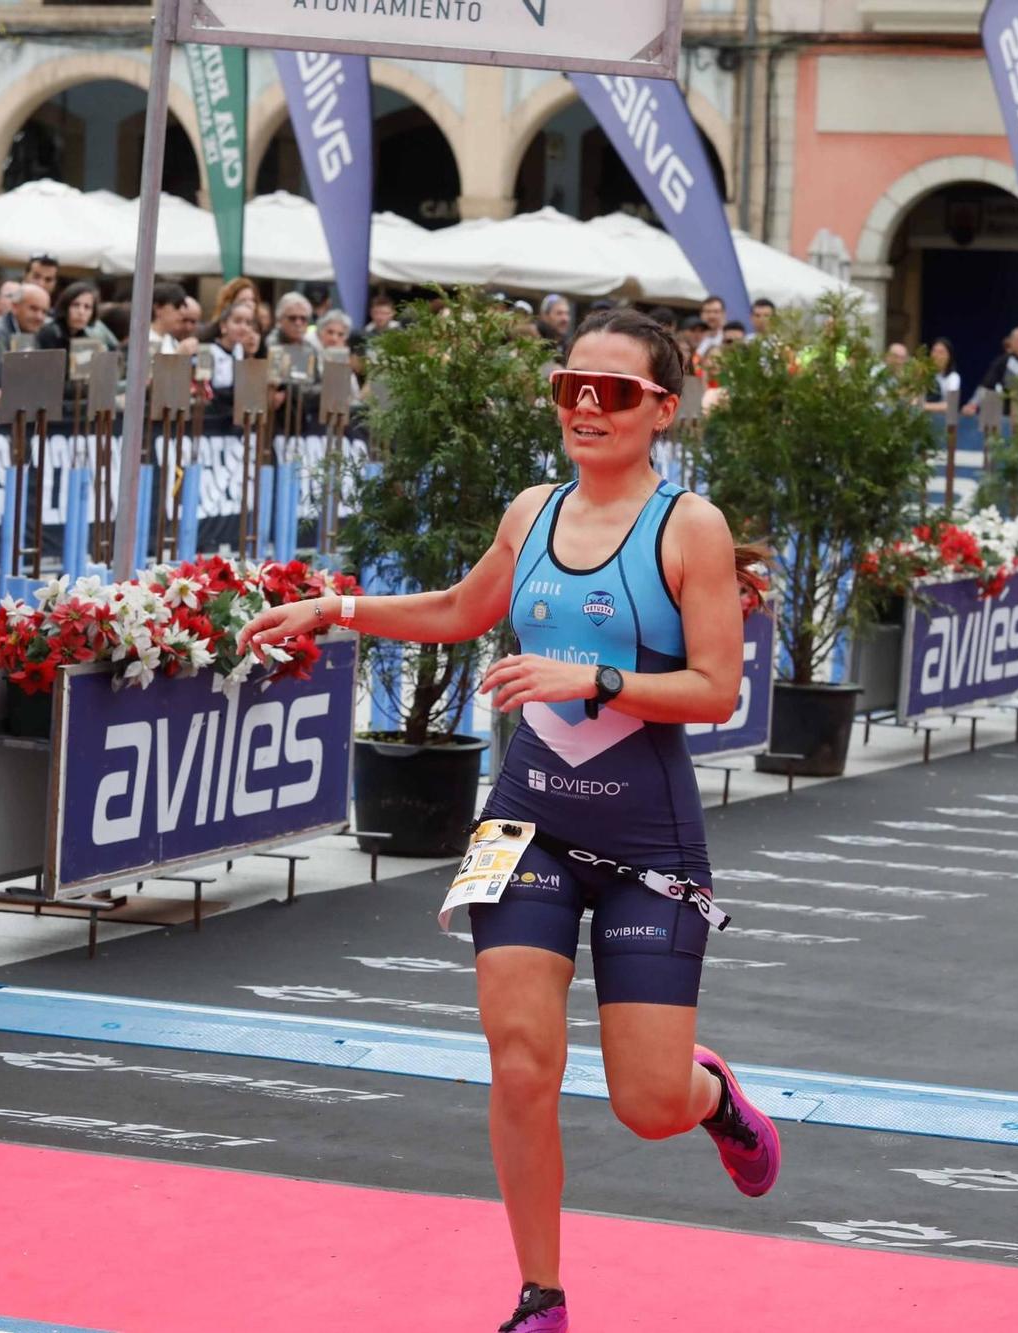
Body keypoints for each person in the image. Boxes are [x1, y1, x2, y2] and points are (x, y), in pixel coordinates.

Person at [242, 307, 782, 1333]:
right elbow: (458, 610)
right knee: (521, 1062)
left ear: (661, 409)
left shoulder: (688, 527)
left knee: (645, 1101)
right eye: (569, 385)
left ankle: (710, 1098)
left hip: (644, 844)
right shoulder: (530, 509)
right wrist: (337, 610)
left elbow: (715, 690)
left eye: (612, 392)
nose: (585, 406)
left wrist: (594, 675)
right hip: (523, 823)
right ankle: (541, 1295)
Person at [967, 325, 1018, 416]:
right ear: (1012, 342)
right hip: (1006, 417)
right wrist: (972, 405)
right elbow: (986, 386)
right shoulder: (1002, 362)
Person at [38, 280, 117, 354]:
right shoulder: (50, 333)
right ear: (66, 306)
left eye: (87, 307)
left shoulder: (85, 337)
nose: (81, 312)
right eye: (75, 305)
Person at [0, 281, 48, 359]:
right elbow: (0, 370)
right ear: (15, 307)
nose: (39, 317)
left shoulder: (36, 331)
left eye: (44, 312)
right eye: (33, 309)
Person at [922, 337, 960, 412]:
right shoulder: (924, 373)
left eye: (941, 352)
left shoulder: (953, 377)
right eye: (934, 351)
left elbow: (951, 405)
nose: (936, 355)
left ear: (949, 357)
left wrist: (923, 406)